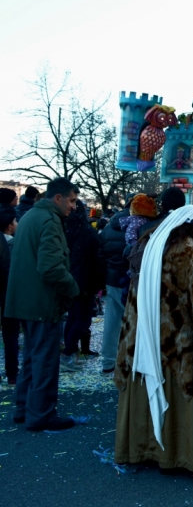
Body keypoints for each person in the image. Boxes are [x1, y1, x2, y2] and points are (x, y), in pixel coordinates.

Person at [114, 206, 193, 472]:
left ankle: (141, 448)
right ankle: (179, 453)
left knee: (144, 387)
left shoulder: (151, 242)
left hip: (142, 335)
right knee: (178, 392)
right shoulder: (187, 248)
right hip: (177, 340)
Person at [7, 177, 80, 431]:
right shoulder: (48, 221)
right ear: (57, 198)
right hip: (42, 303)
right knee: (44, 360)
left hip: (27, 302)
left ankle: (23, 408)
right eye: (71, 200)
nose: (74, 206)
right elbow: (50, 268)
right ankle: (41, 414)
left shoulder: (29, 216)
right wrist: (73, 288)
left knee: (31, 357)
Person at [61, 200, 103, 371]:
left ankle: (70, 353)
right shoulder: (86, 231)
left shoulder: (64, 229)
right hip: (84, 280)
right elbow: (96, 258)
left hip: (70, 278)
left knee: (73, 317)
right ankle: (68, 354)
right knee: (83, 319)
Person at [98, 195, 134, 375]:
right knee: (133, 321)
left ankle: (108, 360)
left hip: (112, 279)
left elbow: (101, 252)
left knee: (111, 321)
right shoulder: (140, 224)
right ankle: (129, 359)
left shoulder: (109, 226)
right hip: (131, 280)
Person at [0, 207, 19, 385]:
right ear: (9, 226)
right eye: (14, 222)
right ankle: (12, 373)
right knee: (11, 336)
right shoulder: (13, 245)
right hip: (8, 295)